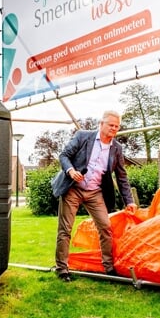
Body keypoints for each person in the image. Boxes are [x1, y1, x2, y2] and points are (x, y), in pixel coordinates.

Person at [54, 110, 136, 282]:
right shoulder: (83, 136)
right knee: (65, 229)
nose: (114, 128)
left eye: (117, 126)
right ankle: (62, 268)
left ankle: (108, 268)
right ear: (101, 124)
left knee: (106, 227)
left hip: (94, 192)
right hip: (73, 188)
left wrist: (129, 201)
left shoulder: (117, 149)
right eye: (111, 125)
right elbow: (64, 156)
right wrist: (70, 171)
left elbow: (121, 176)